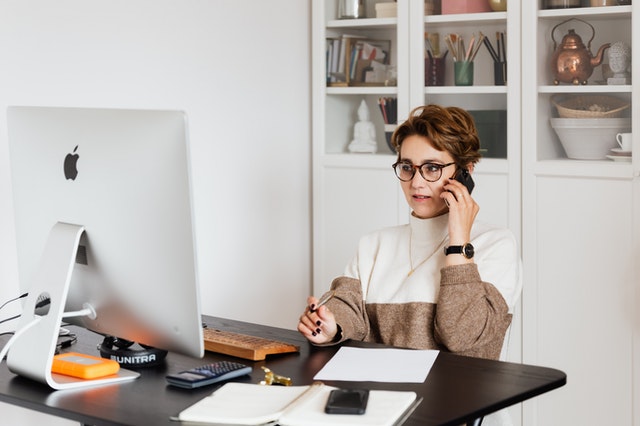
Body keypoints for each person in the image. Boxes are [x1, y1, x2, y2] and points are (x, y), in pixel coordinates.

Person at [298, 104, 522, 361]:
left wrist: (459, 240)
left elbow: (462, 336)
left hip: (460, 398)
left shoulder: (496, 244)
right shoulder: (374, 244)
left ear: (465, 172)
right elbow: (348, 307)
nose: (416, 183)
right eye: (407, 167)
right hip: (382, 394)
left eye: (432, 168)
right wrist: (331, 327)